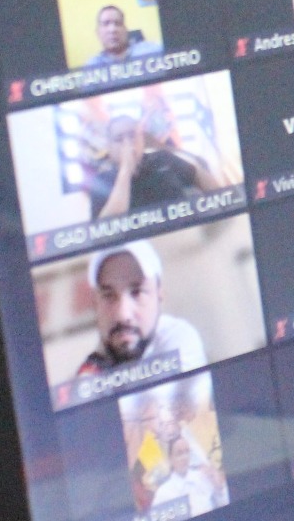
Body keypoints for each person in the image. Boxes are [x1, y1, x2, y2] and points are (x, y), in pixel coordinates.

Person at [74, 242, 207, 377]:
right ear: (95, 304)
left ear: (159, 294)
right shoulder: (90, 371)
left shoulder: (178, 339)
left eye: (137, 293)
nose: (123, 315)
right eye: (108, 296)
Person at [90, 112, 226, 219]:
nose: (128, 143)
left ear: (141, 139)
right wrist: (125, 170)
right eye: (119, 139)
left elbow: (198, 174)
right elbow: (106, 230)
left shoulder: (163, 158)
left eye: (132, 135)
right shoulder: (101, 181)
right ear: (109, 147)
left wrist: (224, 206)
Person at [150, 435, 228, 517]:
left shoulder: (204, 477)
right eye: (179, 453)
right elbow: (155, 519)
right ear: (170, 459)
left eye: (187, 452)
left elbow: (225, 504)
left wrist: (219, 488)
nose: (185, 457)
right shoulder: (163, 492)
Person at [84, 5, 163, 68]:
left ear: (125, 30)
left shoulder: (153, 51)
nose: (112, 30)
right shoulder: (91, 66)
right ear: (98, 32)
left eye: (118, 23)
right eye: (106, 24)